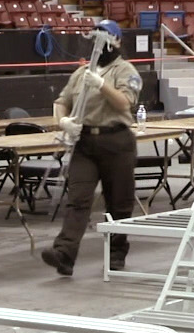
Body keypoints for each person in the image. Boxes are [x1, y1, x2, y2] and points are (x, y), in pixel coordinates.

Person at [41, 18, 142, 277]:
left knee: (119, 203)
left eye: (105, 36)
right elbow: (61, 101)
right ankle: (64, 253)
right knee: (78, 199)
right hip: (85, 142)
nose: (99, 42)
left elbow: (124, 103)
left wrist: (100, 84)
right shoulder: (81, 73)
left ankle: (116, 255)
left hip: (116, 141)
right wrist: (64, 121)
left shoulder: (125, 70)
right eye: (95, 35)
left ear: (116, 41)